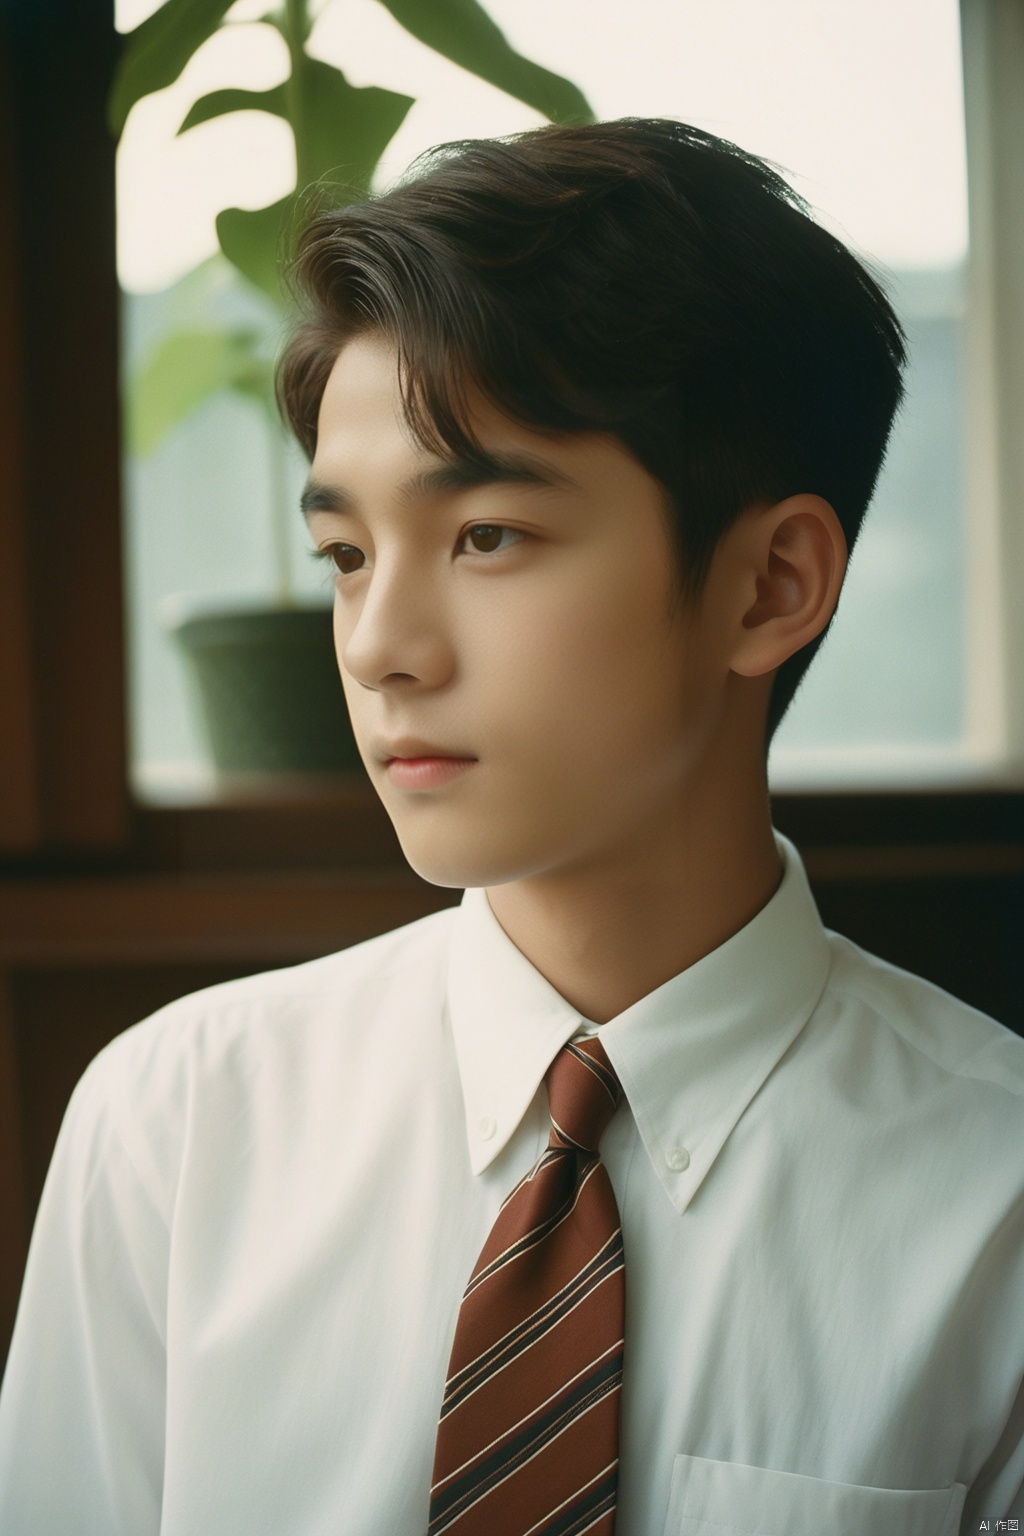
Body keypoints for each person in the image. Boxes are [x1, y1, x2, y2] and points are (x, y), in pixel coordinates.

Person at [1, 118, 1022, 1536]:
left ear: (771, 584)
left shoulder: (1000, 1200)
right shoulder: (176, 1126)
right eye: (346, 555)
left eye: (486, 536)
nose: (378, 647)